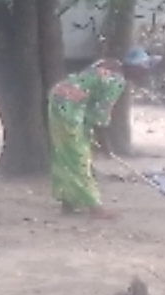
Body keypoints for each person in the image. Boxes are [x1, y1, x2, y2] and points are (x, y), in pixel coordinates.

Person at [48, 47, 158, 217]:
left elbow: (90, 99)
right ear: (134, 68)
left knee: (66, 154)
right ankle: (95, 207)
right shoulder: (116, 82)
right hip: (69, 108)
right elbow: (100, 116)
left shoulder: (110, 65)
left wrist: (88, 132)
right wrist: (105, 144)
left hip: (60, 99)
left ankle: (68, 203)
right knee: (79, 157)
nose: (146, 74)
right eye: (144, 69)